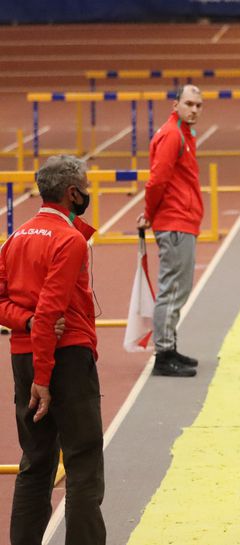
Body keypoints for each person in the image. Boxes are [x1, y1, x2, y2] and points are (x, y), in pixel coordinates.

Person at [0, 155, 105, 545]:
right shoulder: (68, 240)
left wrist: (23, 323)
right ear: (73, 192)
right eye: (87, 186)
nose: (90, 192)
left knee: (36, 462)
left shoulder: (16, 236)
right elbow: (50, 311)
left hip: (24, 359)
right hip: (64, 361)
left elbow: (9, 305)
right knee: (83, 463)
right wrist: (44, 379)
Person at [137, 85, 204, 377]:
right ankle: (163, 354)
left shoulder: (185, 135)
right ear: (175, 104)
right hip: (174, 221)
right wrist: (150, 214)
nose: (194, 110)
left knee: (179, 287)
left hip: (182, 220)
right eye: (189, 104)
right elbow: (156, 181)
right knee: (173, 288)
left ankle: (169, 345)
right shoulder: (172, 135)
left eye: (199, 106)